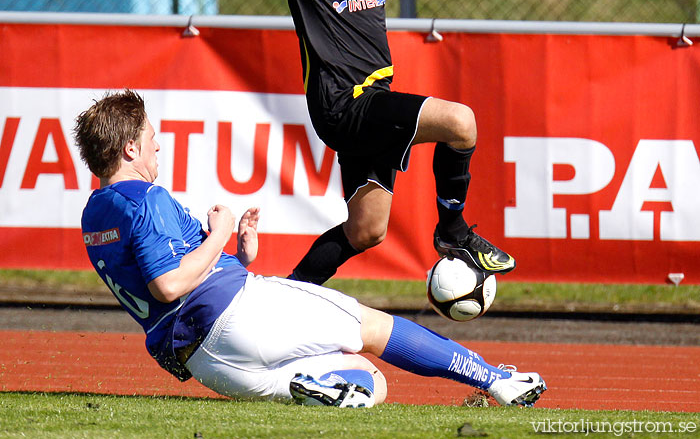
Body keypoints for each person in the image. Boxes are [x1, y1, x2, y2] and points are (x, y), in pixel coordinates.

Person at [73, 90, 546, 407]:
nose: (160, 149)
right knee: (376, 328)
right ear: (130, 150)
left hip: (204, 360)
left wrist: (237, 253)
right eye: (152, 141)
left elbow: (167, 278)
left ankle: (308, 388)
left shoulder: (94, 214)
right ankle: (495, 379)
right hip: (234, 313)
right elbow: (168, 284)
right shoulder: (147, 198)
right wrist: (220, 232)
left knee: (368, 382)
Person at [219, 0, 532, 286]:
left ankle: (289, 295)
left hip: (373, 100)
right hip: (343, 104)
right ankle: (453, 231)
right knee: (461, 123)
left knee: (366, 229)